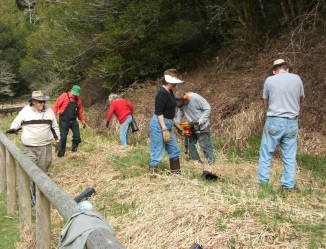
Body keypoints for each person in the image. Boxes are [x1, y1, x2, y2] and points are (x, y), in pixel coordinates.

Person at [6, 91, 61, 205]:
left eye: (44, 101)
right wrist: (13, 128)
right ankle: (30, 198)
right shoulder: (26, 111)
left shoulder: (49, 112)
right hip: (29, 148)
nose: (43, 104)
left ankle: (41, 197)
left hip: (45, 147)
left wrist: (58, 141)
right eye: (40, 101)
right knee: (30, 172)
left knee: (42, 172)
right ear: (33, 102)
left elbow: (55, 126)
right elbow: (17, 121)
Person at [257, 59, 305, 190]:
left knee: (266, 154)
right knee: (289, 156)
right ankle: (288, 186)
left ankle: (263, 184)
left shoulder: (269, 80)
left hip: (274, 120)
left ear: (274, 70)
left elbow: (266, 102)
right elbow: (301, 99)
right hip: (292, 121)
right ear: (287, 68)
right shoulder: (297, 79)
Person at [149, 69, 184, 175]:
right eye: (174, 82)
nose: (175, 85)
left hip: (168, 123)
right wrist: (164, 128)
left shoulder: (170, 91)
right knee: (157, 152)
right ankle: (152, 176)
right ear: (169, 81)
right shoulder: (162, 93)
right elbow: (159, 112)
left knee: (175, 150)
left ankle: (176, 175)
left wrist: (175, 122)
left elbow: (170, 110)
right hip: (159, 124)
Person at [175, 90, 215, 164]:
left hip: (202, 125)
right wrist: (178, 121)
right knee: (190, 144)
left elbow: (207, 108)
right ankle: (197, 162)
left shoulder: (196, 98)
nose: (180, 103)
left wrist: (202, 120)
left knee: (205, 145)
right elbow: (180, 110)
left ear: (185, 97)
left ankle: (211, 162)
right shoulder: (180, 102)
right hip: (191, 125)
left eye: (181, 101)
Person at [52, 85, 86, 157]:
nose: (75, 96)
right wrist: (53, 116)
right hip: (64, 120)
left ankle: (74, 149)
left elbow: (79, 111)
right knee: (63, 138)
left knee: (77, 137)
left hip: (73, 120)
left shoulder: (78, 99)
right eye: (74, 94)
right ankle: (61, 153)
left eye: (76, 95)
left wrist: (82, 120)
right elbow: (55, 106)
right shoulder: (64, 96)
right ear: (71, 90)